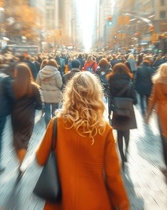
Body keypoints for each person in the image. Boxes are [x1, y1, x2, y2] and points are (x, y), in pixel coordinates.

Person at [35, 72, 130, 209]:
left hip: (61, 202)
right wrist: (123, 203)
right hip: (95, 202)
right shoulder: (104, 130)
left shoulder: (56, 124)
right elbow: (113, 176)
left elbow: (40, 159)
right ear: (96, 96)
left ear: (70, 94)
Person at [11, 63, 43, 178]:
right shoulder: (34, 87)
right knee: (25, 140)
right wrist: (32, 107)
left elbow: (8, 100)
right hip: (28, 117)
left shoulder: (11, 85)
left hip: (15, 116)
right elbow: (40, 105)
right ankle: (21, 164)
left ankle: (19, 160)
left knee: (16, 139)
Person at [107, 63, 138, 168]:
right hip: (128, 109)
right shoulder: (129, 81)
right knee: (127, 130)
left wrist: (109, 112)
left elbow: (110, 98)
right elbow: (135, 99)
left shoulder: (111, 81)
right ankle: (127, 149)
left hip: (117, 109)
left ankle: (121, 154)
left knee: (119, 133)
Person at [36, 59, 63, 124]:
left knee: (47, 111)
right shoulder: (57, 73)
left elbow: (37, 84)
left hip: (45, 95)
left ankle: (48, 126)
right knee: (55, 112)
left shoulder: (41, 72)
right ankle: (54, 126)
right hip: (55, 95)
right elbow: (60, 85)